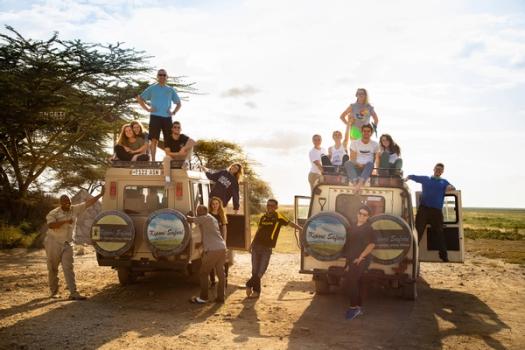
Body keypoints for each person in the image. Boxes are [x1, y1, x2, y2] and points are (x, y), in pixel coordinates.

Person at [45, 187, 105, 300]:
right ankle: (54, 292)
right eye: (65, 202)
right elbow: (51, 225)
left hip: (67, 243)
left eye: (69, 201)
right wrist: (65, 221)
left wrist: (100, 195)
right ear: (61, 203)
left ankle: (73, 293)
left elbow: (88, 203)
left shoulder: (74, 209)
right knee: (53, 268)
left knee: (68, 267)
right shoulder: (53, 213)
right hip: (53, 242)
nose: (67, 204)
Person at [245, 199, 303, 298]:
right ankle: (256, 292)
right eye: (268, 205)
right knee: (254, 271)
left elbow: (290, 223)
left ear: (276, 207)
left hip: (267, 248)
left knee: (261, 271)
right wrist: (251, 244)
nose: (270, 207)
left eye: (272, 206)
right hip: (256, 246)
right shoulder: (263, 217)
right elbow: (258, 231)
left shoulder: (279, 216)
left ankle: (249, 284)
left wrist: (301, 228)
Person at [405, 163, 455, 262]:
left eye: (440, 169)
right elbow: (413, 176)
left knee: (439, 233)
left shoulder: (444, 182)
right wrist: (407, 178)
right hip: (424, 210)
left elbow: (452, 187)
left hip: (436, 212)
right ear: (434, 169)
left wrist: (450, 187)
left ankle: (444, 257)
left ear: (442, 172)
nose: (438, 170)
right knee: (418, 232)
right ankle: (411, 255)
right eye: (437, 168)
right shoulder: (426, 179)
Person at [136, 69, 182, 161]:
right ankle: (153, 161)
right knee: (154, 140)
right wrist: (147, 109)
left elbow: (179, 103)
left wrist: (173, 112)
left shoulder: (170, 90)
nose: (162, 76)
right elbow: (140, 99)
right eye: (160, 75)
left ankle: (168, 160)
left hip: (167, 118)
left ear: (167, 77)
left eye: (164, 75)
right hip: (155, 117)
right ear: (157, 77)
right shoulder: (152, 88)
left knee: (168, 140)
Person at [342, 205, 378, 320]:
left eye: (364, 215)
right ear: (357, 214)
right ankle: (358, 307)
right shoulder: (352, 226)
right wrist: (347, 261)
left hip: (360, 260)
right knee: (356, 282)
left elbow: (372, 244)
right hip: (351, 259)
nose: (361, 216)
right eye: (360, 213)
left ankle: (354, 308)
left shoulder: (368, 228)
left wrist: (361, 256)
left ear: (368, 217)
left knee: (351, 282)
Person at [187, 205, 227, 304]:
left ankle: (203, 298)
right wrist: (201, 243)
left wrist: (187, 215)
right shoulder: (211, 218)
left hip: (213, 250)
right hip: (221, 248)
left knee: (203, 273)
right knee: (220, 273)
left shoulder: (205, 218)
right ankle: (221, 298)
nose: (197, 213)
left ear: (204, 211)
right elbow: (210, 234)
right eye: (197, 211)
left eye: (199, 211)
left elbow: (190, 220)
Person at [343, 124, 379, 193]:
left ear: (371, 133)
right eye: (364, 131)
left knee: (370, 164)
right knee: (347, 163)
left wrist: (376, 171)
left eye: (368, 131)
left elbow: (376, 159)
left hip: (367, 167)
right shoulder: (355, 143)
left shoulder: (375, 144)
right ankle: (355, 183)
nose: (366, 133)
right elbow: (352, 158)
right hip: (357, 166)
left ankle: (358, 185)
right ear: (361, 132)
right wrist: (358, 164)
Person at [163, 121, 195, 187]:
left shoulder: (183, 137)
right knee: (166, 158)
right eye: (175, 127)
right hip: (173, 157)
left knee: (191, 146)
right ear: (172, 129)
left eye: (178, 127)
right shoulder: (168, 139)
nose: (177, 128)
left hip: (183, 157)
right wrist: (179, 153)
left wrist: (184, 148)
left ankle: (186, 163)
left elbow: (194, 142)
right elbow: (167, 153)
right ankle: (167, 180)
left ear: (181, 129)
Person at [208, 197, 229, 287]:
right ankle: (213, 281)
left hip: (220, 241)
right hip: (211, 241)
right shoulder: (208, 215)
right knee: (211, 262)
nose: (215, 205)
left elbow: (224, 229)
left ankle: (225, 279)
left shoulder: (222, 214)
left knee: (224, 261)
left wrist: (224, 241)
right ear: (211, 205)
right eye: (213, 204)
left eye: (217, 203)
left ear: (219, 205)